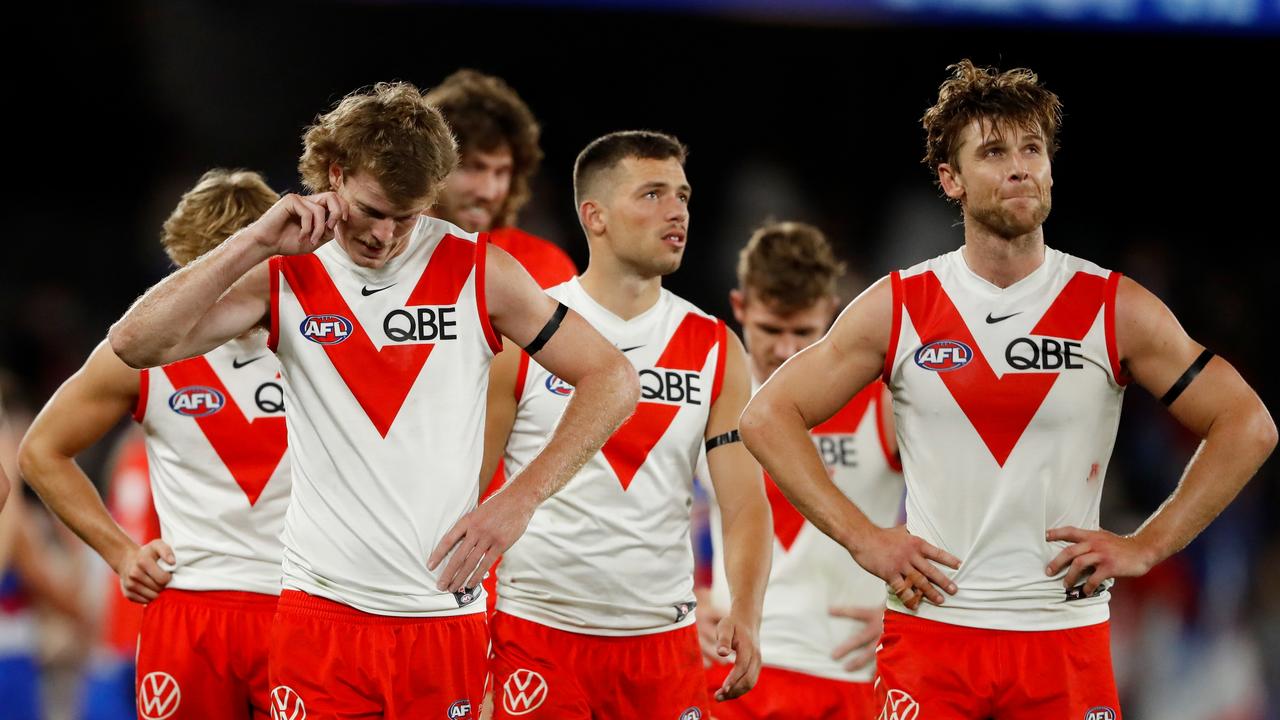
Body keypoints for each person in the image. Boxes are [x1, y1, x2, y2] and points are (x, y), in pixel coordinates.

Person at [739, 59, 1277, 719]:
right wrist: (864, 538)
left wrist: (1149, 544)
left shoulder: (1113, 308)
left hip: (1062, 639)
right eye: (993, 152)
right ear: (951, 180)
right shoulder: (901, 305)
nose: (1020, 166)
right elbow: (767, 417)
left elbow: (1247, 424)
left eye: (1032, 149)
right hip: (934, 636)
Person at [106, 82, 638, 718]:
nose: (385, 236)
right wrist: (254, 241)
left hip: (442, 616)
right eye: (372, 210)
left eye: (406, 216)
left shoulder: (479, 269)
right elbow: (134, 344)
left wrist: (519, 499)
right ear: (335, 172)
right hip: (321, 612)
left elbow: (613, 377)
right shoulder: (285, 270)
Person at [482, 130, 771, 719]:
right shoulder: (523, 336)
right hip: (537, 634)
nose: (677, 211)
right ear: (595, 216)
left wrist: (744, 609)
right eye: (653, 194)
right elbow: (471, 485)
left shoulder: (716, 347)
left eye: (684, 196)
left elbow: (743, 503)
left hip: (663, 646)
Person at [20, 169, 289, 719]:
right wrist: (120, 552)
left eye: (248, 262)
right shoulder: (147, 354)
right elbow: (41, 451)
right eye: (213, 270)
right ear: (184, 270)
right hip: (191, 607)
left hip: (307, 604)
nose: (230, 284)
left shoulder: (325, 337)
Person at [699, 221, 903, 719]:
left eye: (803, 332)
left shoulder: (881, 401)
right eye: (770, 329)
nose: (787, 350)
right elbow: (659, 504)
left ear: (832, 316)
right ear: (740, 307)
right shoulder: (708, 396)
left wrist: (910, 613)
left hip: (843, 674)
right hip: (725, 669)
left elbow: (964, 499)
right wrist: (688, 595)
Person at [426, 69, 576, 288]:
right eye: (472, 168)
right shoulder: (380, 251)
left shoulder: (544, 265)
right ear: (429, 166)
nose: (487, 192)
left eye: (501, 172)